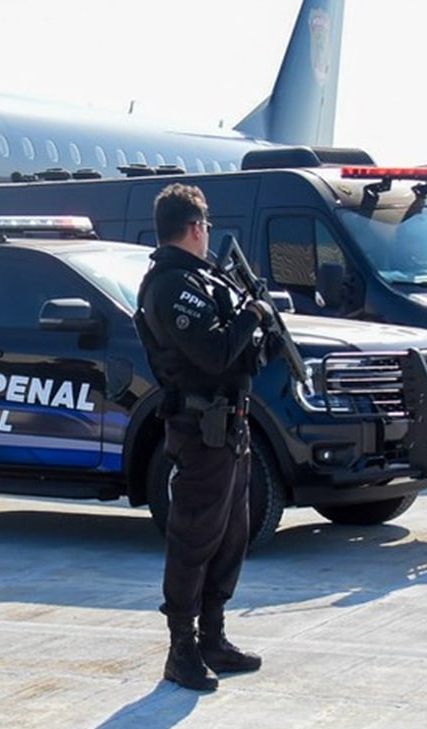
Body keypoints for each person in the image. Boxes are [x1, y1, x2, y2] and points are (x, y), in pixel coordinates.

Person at [135, 183, 270, 692]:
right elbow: (213, 353)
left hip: (230, 427)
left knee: (231, 536)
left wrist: (259, 332)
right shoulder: (172, 285)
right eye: (206, 225)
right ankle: (182, 649)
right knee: (194, 539)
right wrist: (252, 315)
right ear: (195, 227)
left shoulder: (201, 279)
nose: (209, 233)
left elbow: (238, 355)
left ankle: (213, 636)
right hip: (200, 430)